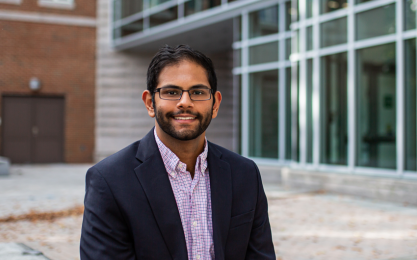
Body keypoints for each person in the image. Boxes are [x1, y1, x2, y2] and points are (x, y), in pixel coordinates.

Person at [80, 45, 276, 260]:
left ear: (215, 104)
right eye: (171, 92)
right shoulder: (109, 181)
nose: (185, 102)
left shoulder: (245, 174)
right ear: (150, 103)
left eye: (198, 92)